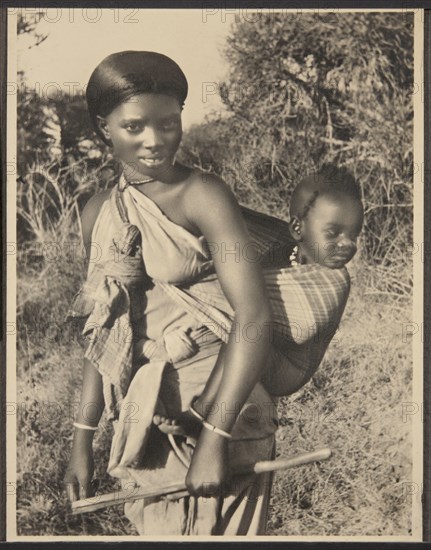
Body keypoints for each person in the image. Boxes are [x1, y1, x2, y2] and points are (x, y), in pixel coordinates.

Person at [63, 51, 355, 535]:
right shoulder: (99, 212)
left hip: (227, 407)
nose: (154, 141)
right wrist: (81, 445)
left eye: (169, 124)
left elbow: (253, 317)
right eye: (134, 127)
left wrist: (215, 439)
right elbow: (104, 330)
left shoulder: (203, 195)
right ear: (103, 127)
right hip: (146, 410)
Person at [155, 166, 364, 437]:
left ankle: (200, 412)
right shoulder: (281, 247)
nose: (348, 244)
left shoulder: (333, 281)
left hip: (288, 369)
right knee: (245, 317)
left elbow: (248, 301)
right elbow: (232, 226)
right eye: (334, 233)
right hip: (271, 344)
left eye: (354, 235)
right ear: (298, 229)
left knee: (247, 327)